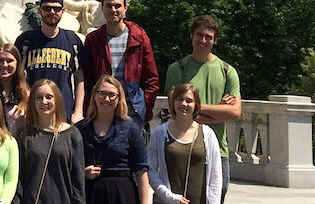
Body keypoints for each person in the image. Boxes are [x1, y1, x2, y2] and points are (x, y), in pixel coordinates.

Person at [165, 15, 240, 204]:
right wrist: (219, 112)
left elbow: (235, 113)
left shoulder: (227, 71)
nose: (203, 40)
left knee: (216, 196)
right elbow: (175, 110)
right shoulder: (178, 68)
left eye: (209, 37)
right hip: (183, 147)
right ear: (191, 35)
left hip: (218, 150)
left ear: (215, 40)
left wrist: (193, 110)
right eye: (199, 35)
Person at [84, 0, 158, 124]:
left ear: (125, 8)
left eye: (117, 6)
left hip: (132, 113)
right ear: (102, 8)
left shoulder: (139, 37)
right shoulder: (93, 40)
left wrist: (145, 109)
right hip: (102, 113)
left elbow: (151, 79)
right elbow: (88, 80)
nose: (113, 10)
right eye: (109, 6)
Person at [15, 0, 87, 123]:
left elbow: (79, 78)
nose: (52, 12)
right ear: (39, 10)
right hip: (33, 112)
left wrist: (78, 112)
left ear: (63, 11)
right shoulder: (25, 41)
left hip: (64, 113)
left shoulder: (72, 40)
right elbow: (18, 76)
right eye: (47, 8)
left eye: (56, 8)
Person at [77, 76, 150, 204]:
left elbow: (141, 170)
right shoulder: (80, 129)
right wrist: (82, 172)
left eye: (112, 95)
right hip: (90, 194)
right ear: (94, 95)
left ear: (119, 98)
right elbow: (70, 166)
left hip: (123, 195)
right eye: (102, 94)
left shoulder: (130, 128)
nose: (106, 99)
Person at [148, 83, 222, 204]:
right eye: (180, 99)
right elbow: (151, 171)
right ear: (173, 102)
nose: (183, 104)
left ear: (196, 105)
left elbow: (216, 175)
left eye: (189, 100)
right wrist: (170, 197)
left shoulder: (207, 134)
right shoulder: (159, 133)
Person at [18, 79, 85, 204]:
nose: (44, 102)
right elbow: (19, 180)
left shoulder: (72, 134)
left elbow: (78, 181)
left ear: (57, 100)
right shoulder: (25, 135)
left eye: (49, 97)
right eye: (39, 98)